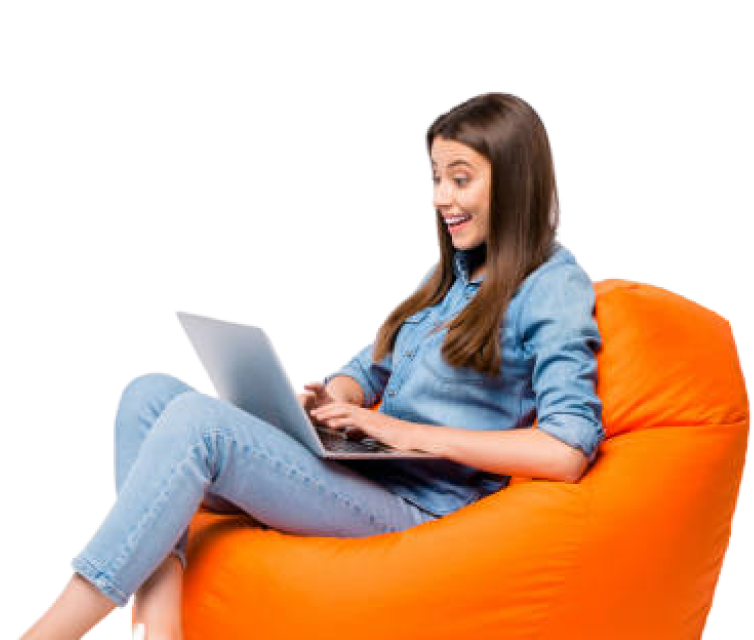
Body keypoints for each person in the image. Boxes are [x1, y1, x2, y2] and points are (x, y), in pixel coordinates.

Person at [18, 90, 603, 640]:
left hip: (423, 509)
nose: (439, 199)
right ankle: (158, 625)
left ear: (515, 180)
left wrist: (402, 432)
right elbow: (368, 370)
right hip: (365, 472)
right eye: (435, 178)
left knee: (200, 425)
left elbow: (566, 449)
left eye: (460, 179)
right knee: (146, 393)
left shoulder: (553, 287)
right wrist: (333, 399)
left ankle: (58, 625)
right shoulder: (451, 273)